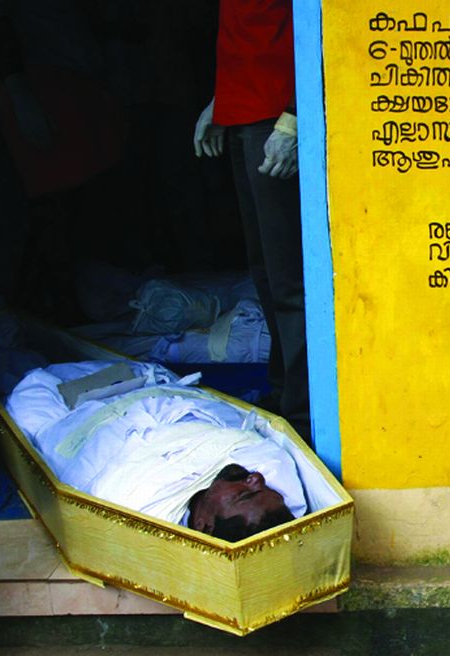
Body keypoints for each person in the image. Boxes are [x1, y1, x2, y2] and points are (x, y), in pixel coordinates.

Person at [7, 360, 307, 542]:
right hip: (147, 387)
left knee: (29, 386)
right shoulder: (260, 465)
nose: (256, 478)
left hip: (75, 419)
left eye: (244, 494)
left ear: (202, 524)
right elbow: (262, 450)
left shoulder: (137, 504)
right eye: (261, 486)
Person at [192, 0, 310, 445]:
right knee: (264, 272)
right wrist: (222, 101)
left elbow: (322, 23)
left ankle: (304, 415)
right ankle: (285, 394)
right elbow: (245, 30)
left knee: (289, 280)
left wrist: (295, 117)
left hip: (276, 115)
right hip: (246, 109)